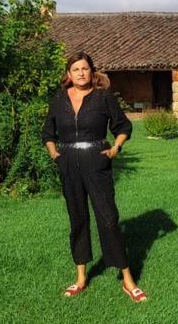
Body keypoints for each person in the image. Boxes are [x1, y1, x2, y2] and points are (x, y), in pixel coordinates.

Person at [41, 51, 147, 302]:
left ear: (92, 72)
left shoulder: (103, 97)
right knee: (77, 219)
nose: (81, 73)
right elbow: (48, 131)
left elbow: (123, 126)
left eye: (85, 68)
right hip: (68, 163)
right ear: (69, 74)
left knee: (108, 218)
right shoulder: (59, 99)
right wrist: (55, 154)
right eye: (76, 69)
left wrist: (115, 149)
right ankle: (80, 278)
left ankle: (128, 280)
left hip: (97, 161)